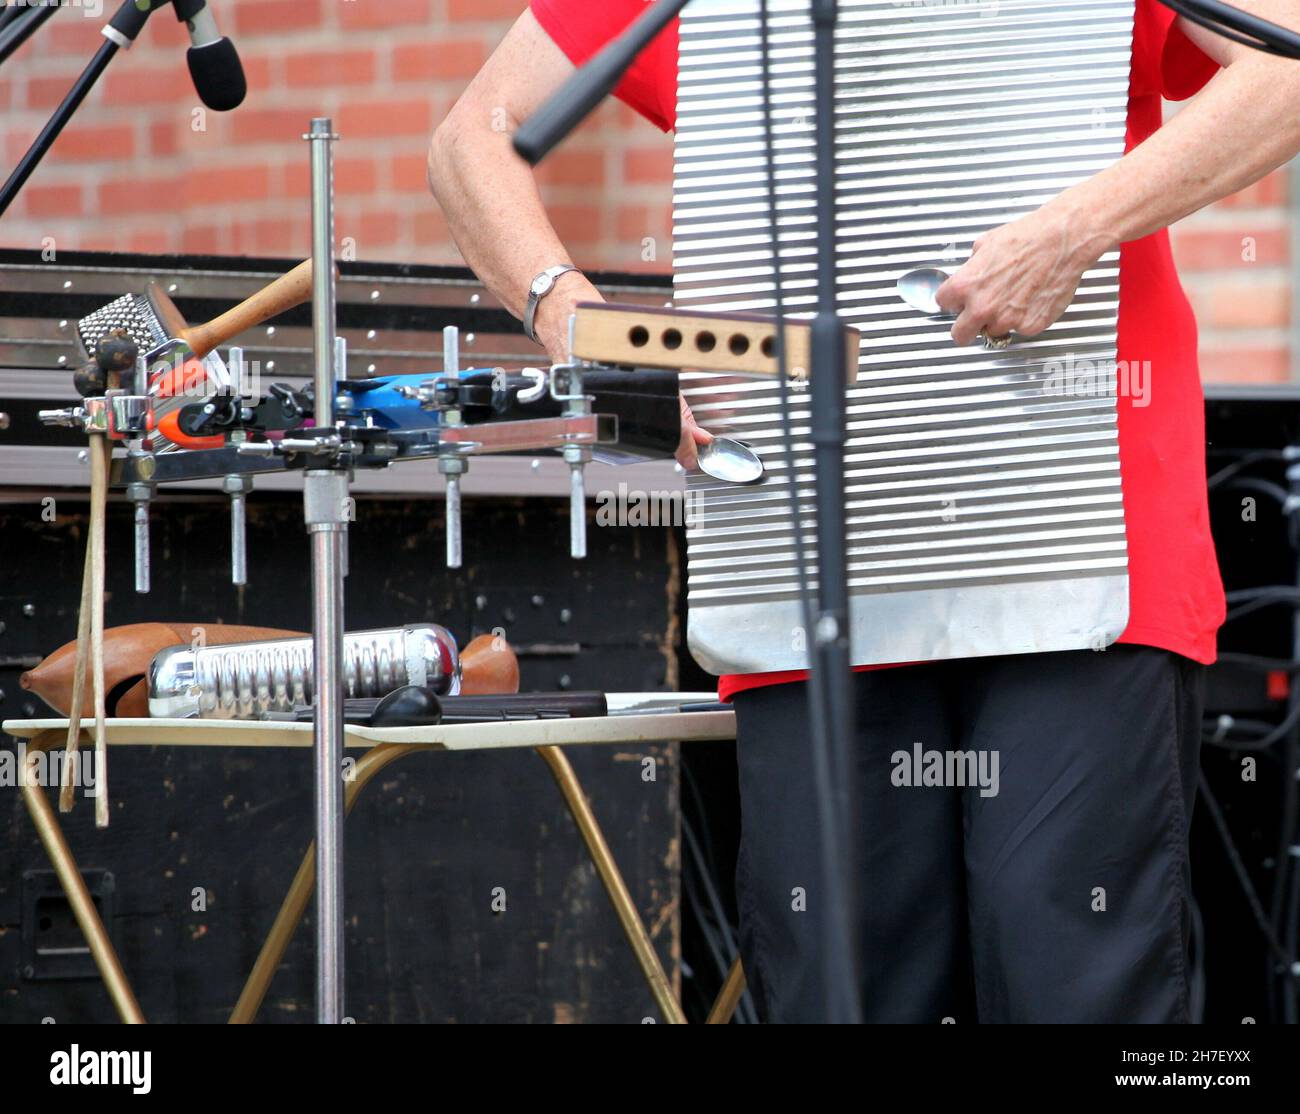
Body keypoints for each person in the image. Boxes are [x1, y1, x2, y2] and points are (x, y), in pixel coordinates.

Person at [428, 0, 1300, 1022]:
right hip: (807, 557)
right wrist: (584, 324)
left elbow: (1286, 69)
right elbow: (470, 139)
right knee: (843, 983)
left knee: (1070, 970)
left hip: (1081, 554)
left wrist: (1075, 227)